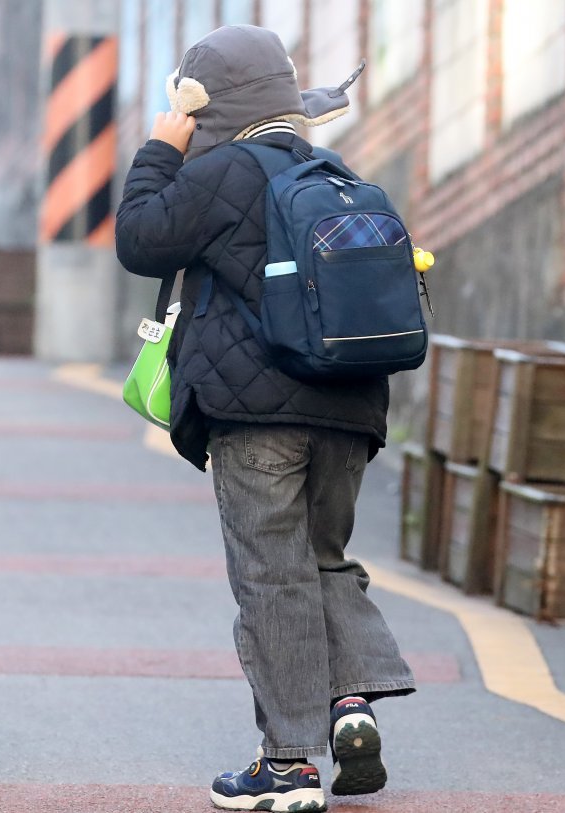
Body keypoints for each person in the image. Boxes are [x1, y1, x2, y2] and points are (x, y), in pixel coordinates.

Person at [114, 25, 415, 813]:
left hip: (257, 414)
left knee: (271, 576)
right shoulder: (335, 171)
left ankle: (287, 765)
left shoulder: (221, 170)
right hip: (351, 407)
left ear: (204, 105)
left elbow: (141, 239)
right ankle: (350, 703)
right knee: (325, 557)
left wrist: (159, 148)